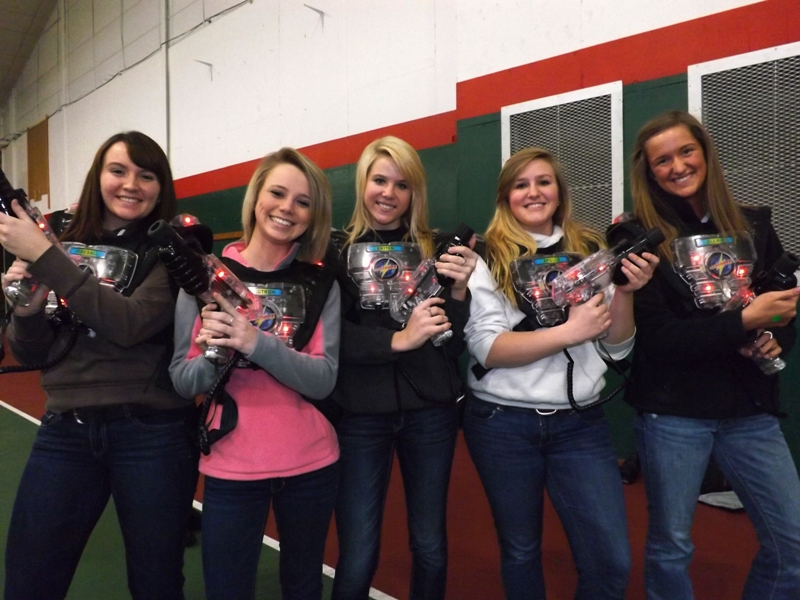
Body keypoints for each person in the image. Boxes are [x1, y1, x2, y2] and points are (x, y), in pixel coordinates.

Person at [0, 132, 197, 599]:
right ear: (98, 176)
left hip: (153, 432)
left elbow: (130, 324)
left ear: (161, 187)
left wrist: (47, 258)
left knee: (156, 582)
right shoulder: (59, 238)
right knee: (29, 577)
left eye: (146, 176)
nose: (131, 184)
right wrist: (26, 308)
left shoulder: (172, 247)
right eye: (118, 171)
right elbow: (32, 354)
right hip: (65, 429)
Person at [463, 147, 659, 600]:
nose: (534, 192)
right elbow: (488, 349)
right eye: (521, 185)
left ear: (559, 191)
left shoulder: (590, 250)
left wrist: (625, 292)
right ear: (505, 197)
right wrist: (570, 332)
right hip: (503, 423)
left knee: (611, 560)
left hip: (580, 424)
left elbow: (617, 346)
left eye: (543, 182)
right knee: (520, 550)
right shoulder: (488, 256)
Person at [626, 109, 800, 599]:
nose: (678, 166)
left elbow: (780, 311)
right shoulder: (638, 237)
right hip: (673, 412)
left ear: (704, 153)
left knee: (792, 545)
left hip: (750, 410)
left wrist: (776, 337)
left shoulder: (753, 224)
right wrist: (742, 321)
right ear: (648, 171)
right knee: (671, 547)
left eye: (686, 151)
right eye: (663, 160)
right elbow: (659, 339)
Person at [169, 147, 340, 600]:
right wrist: (213, 353)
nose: (287, 208)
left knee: (304, 587)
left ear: (314, 214)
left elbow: (323, 379)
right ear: (256, 197)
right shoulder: (204, 280)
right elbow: (183, 381)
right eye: (277, 193)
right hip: (232, 466)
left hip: (312, 464)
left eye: (302, 201)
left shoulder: (320, 282)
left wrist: (254, 342)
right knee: (227, 588)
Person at [329, 136, 477, 600]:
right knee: (358, 550)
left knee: (429, 543)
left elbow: (452, 343)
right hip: (360, 414)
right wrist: (397, 339)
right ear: (362, 183)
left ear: (415, 192)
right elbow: (332, 336)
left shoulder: (436, 250)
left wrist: (458, 293)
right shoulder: (335, 250)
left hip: (430, 412)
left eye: (401, 184)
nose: (388, 193)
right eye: (379, 180)